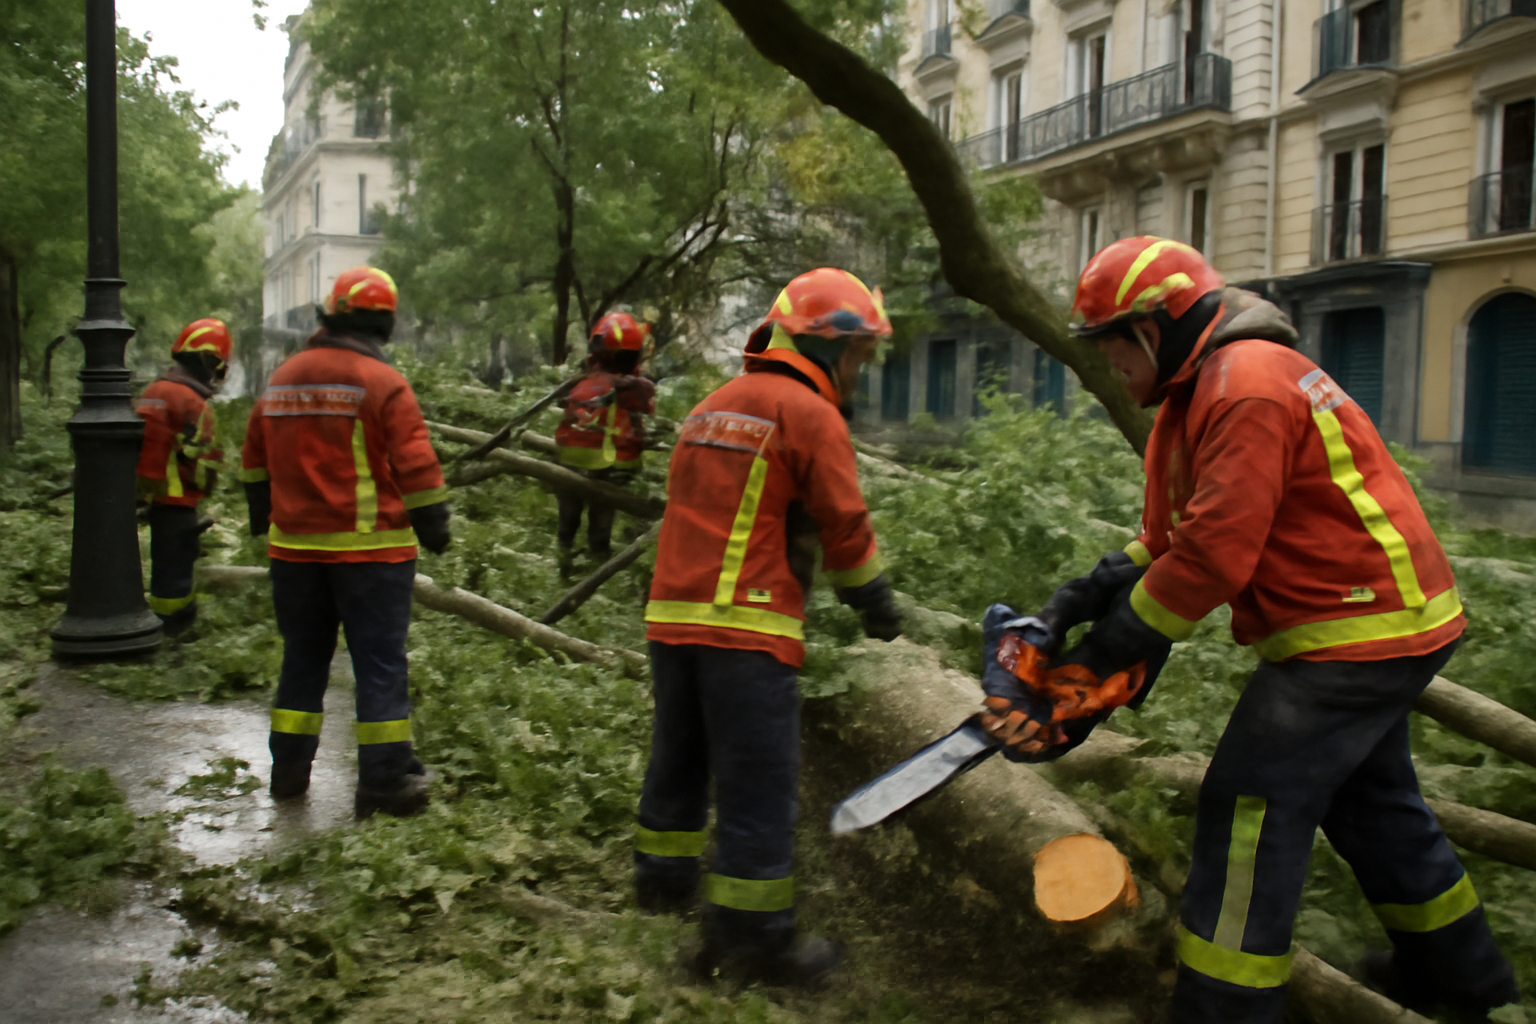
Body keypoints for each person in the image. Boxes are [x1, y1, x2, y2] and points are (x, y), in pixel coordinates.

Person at [979, 237, 1518, 1023]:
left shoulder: (1245, 386)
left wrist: (1099, 662)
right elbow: (1174, 538)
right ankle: (1464, 983)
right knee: (1377, 810)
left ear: (1151, 329)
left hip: (1353, 629)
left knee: (1247, 809)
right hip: (1374, 619)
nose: (1107, 367)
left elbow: (1209, 562)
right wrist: (1075, 601)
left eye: (1110, 347)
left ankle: (1222, 1007)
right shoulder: (1198, 391)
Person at [635, 268, 903, 987]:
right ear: (829, 346)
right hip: (746, 627)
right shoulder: (809, 414)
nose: (860, 373)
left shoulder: (712, 405)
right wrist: (873, 601)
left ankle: (661, 886)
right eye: (860, 357)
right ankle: (752, 939)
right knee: (759, 783)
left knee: (679, 758)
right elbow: (843, 522)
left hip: (672, 619)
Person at [240, 266, 451, 818]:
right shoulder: (382, 383)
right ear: (384, 325)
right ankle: (384, 782)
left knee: (303, 659)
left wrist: (260, 516)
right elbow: (416, 466)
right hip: (370, 555)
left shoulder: (282, 378)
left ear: (330, 315)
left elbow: (254, 460)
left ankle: (287, 770)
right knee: (379, 666)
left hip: (294, 554)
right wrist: (436, 526)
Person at [134, 318, 230, 635]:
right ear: (207, 361)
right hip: (178, 499)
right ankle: (174, 628)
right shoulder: (192, 402)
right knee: (176, 571)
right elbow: (206, 459)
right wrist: (207, 487)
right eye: (217, 367)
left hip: (152, 495)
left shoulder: (153, 391)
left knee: (162, 564)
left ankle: (164, 620)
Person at [553, 312, 657, 566]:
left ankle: (563, 555)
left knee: (569, 514)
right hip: (611, 460)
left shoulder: (583, 381)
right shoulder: (634, 386)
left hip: (570, 456)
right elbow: (648, 407)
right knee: (602, 511)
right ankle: (597, 557)